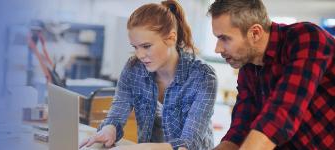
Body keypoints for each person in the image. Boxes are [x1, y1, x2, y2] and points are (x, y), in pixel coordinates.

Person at [80, 0, 217, 150]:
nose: (139, 55)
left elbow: (189, 143)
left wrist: (136, 149)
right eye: (135, 47)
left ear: (171, 38)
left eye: (146, 46)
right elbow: (117, 113)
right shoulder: (133, 69)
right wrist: (109, 129)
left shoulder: (203, 77)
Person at [208, 0, 335, 149]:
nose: (218, 49)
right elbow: (240, 129)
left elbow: (282, 114)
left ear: (255, 33)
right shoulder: (248, 69)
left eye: (224, 38)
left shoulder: (307, 38)